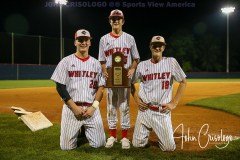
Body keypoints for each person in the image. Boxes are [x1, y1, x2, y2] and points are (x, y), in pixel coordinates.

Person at [51, 29, 106, 150]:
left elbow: (101, 88)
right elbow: (60, 86)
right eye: (80, 40)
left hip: (91, 109)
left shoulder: (96, 64)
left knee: (100, 144)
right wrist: (74, 107)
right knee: (66, 147)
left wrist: (94, 107)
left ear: (90, 43)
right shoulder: (65, 62)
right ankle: (80, 129)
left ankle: (85, 130)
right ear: (75, 42)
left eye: (86, 40)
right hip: (72, 109)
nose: (83, 43)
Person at [132, 35, 187, 151]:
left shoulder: (171, 62)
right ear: (150, 47)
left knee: (169, 148)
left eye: (160, 46)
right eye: (155, 45)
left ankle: (161, 133)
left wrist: (174, 103)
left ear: (164, 48)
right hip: (144, 111)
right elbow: (130, 83)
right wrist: (137, 100)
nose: (157, 48)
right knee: (137, 145)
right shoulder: (142, 65)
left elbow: (183, 81)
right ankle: (145, 134)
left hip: (161, 111)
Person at [98, 9, 140, 149]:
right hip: (111, 78)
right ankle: (112, 136)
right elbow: (102, 60)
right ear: (110, 21)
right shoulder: (104, 39)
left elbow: (136, 58)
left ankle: (125, 138)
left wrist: (133, 68)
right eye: (113, 18)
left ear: (123, 21)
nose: (116, 20)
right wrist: (104, 70)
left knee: (125, 107)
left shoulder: (130, 38)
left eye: (118, 18)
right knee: (111, 107)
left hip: (124, 78)